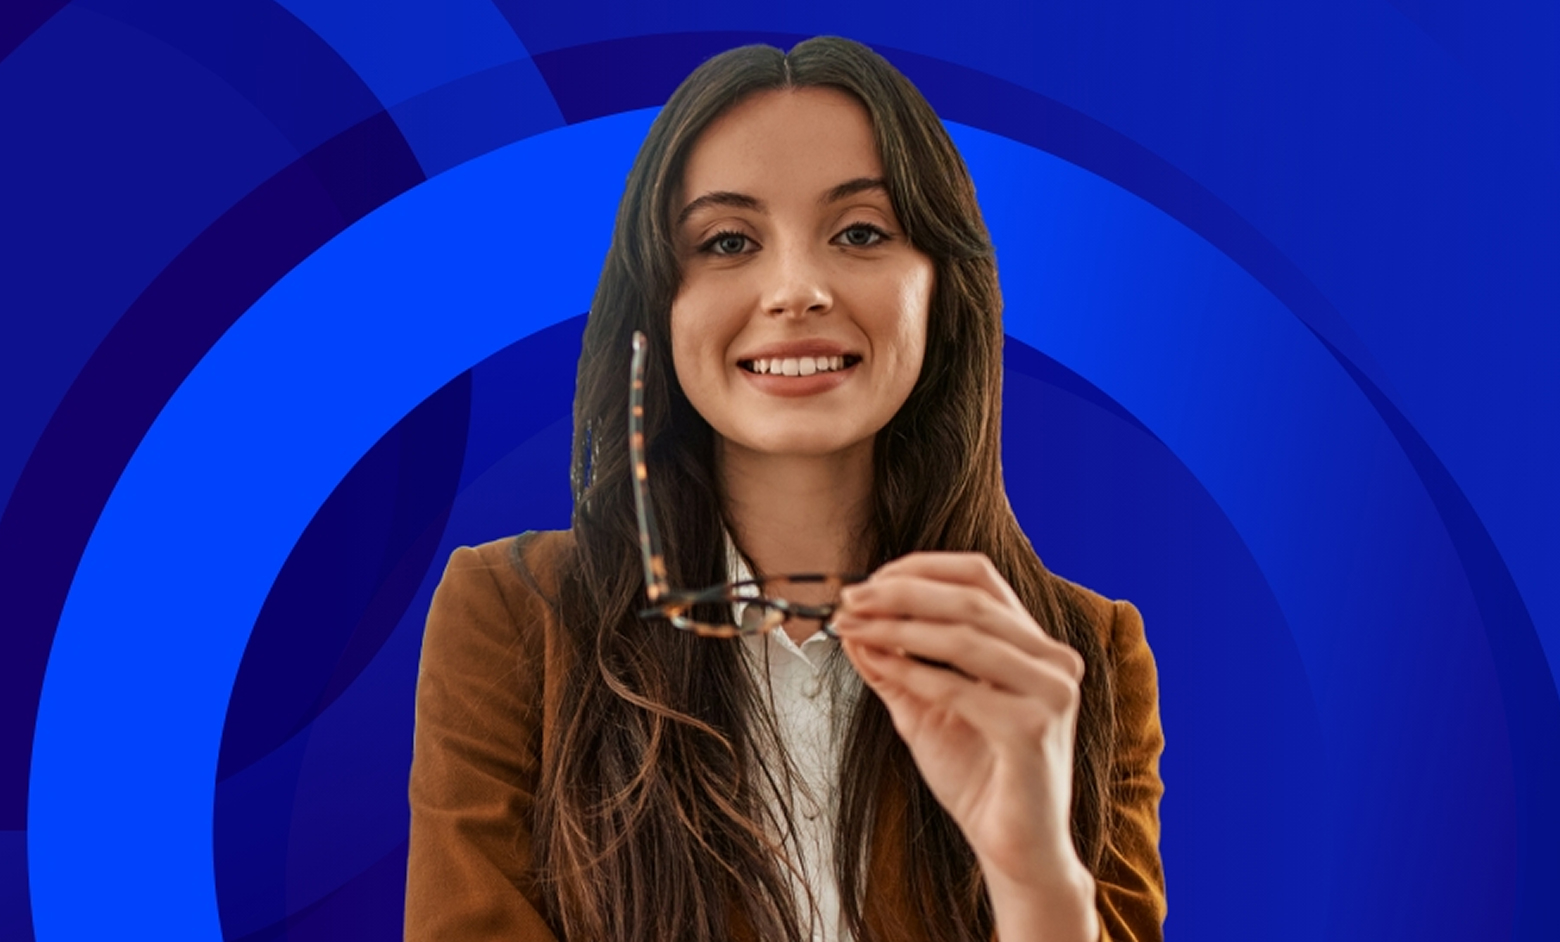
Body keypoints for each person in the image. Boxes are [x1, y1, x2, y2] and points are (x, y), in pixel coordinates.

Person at [405, 36, 1164, 942]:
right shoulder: (515, 616)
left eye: (861, 233)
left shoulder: (1082, 657)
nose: (796, 289)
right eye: (727, 241)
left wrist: (1033, 869)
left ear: (940, 289)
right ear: (658, 306)